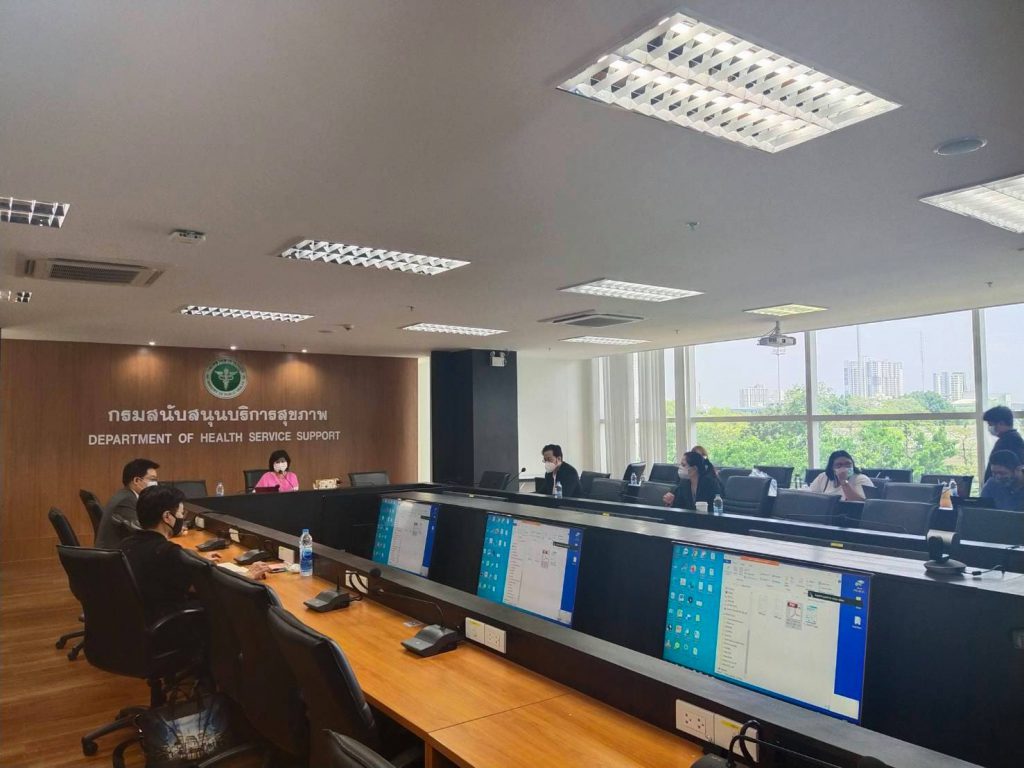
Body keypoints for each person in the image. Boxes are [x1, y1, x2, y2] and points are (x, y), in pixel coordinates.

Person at [95, 458, 159, 549]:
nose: (156, 483)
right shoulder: (126, 500)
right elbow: (142, 532)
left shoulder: (127, 495)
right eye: (152, 479)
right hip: (115, 555)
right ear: (136, 480)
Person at [805, 450, 874, 501]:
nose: (844, 468)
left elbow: (861, 503)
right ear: (832, 468)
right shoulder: (823, 477)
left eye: (848, 464)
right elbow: (810, 497)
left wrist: (843, 481)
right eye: (839, 465)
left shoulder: (861, 479)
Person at [983, 406, 1024, 482]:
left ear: (1001, 423)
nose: (989, 428)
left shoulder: (1011, 441)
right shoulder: (1008, 438)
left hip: (1005, 486)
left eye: (991, 425)